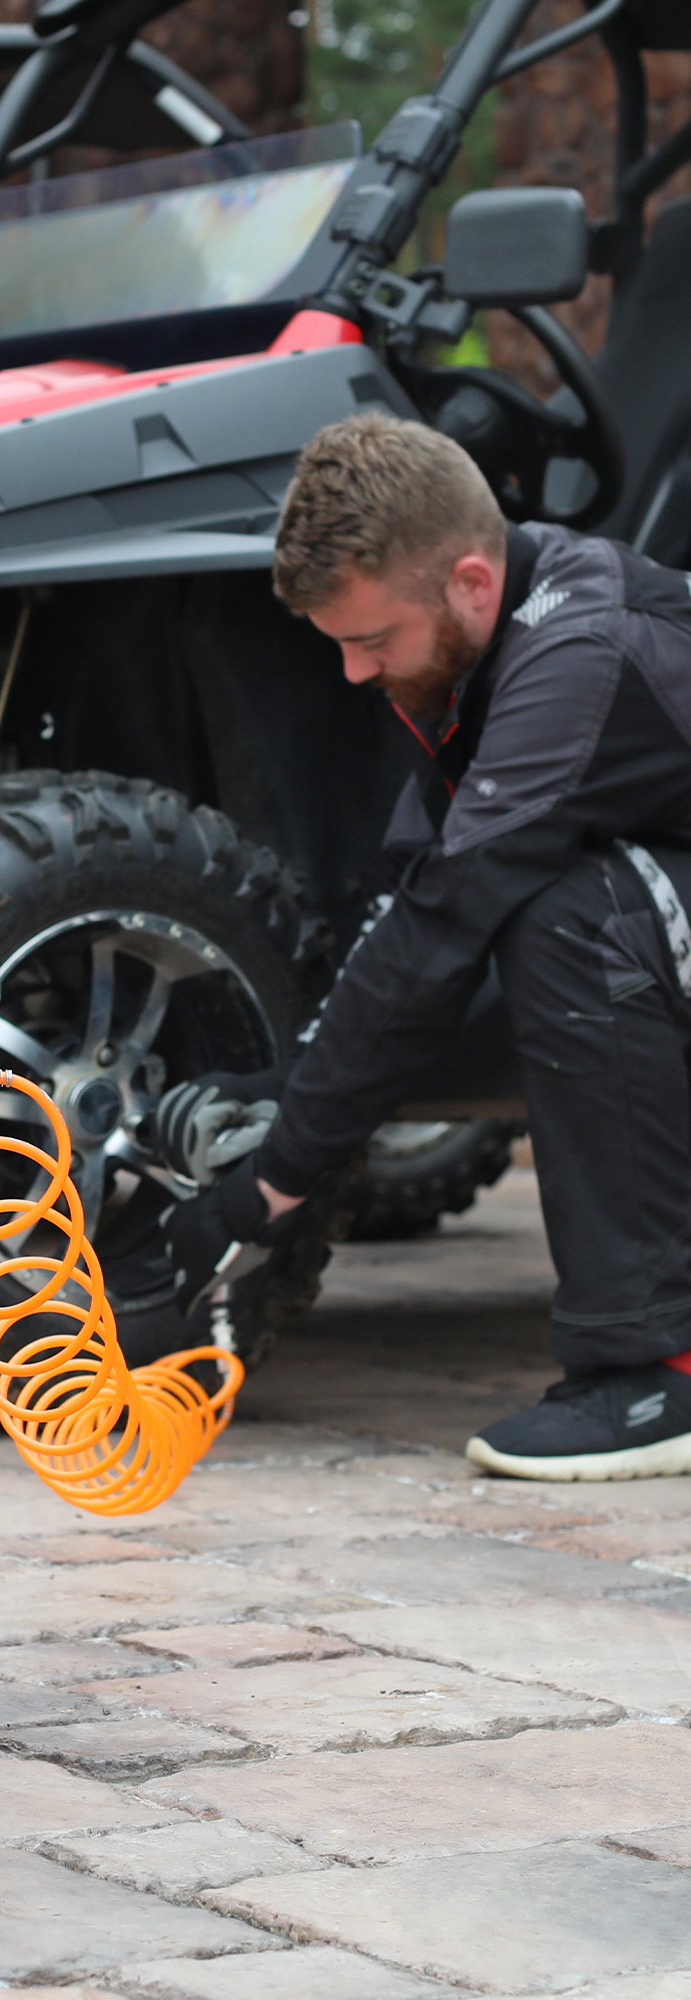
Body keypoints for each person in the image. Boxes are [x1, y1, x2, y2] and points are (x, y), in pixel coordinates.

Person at [163, 411, 691, 1481]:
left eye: (371, 641)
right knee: (538, 909)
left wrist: (274, 1183)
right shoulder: (480, 646)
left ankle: (654, 1370)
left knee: (575, 922)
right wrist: (290, 1094)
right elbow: (406, 919)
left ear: (468, 581)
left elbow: (442, 926)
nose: (353, 672)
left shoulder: (577, 654)